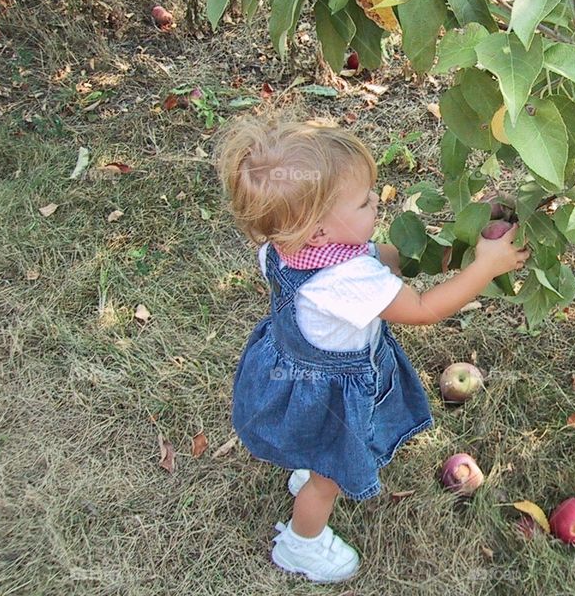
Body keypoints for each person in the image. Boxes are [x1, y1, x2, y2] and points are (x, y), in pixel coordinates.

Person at [216, 118, 528, 583]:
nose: (376, 203)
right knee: (329, 480)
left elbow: (390, 257)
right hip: (331, 396)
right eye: (364, 202)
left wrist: (457, 244)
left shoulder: (286, 246)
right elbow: (423, 308)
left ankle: (310, 462)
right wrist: (485, 268)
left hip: (296, 375)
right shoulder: (345, 283)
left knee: (315, 444)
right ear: (319, 230)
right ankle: (302, 545)